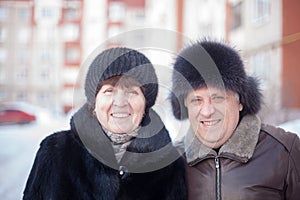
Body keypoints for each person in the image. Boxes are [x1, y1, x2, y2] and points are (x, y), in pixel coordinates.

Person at [23, 47, 187, 200]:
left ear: (145, 105)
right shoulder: (56, 152)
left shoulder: (169, 166)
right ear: (94, 103)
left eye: (132, 91)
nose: (120, 102)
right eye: (109, 91)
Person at [170, 39, 300, 200]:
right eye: (197, 100)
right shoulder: (173, 161)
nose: (207, 111)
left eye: (218, 98)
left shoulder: (284, 150)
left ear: (240, 101)